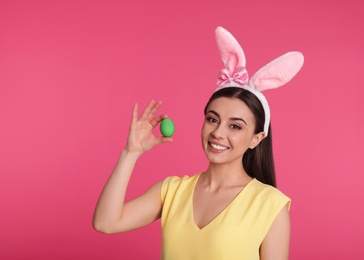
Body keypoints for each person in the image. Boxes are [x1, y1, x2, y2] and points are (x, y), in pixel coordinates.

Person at [93, 27, 304, 260]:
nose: (218, 133)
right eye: (213, 119)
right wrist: (130, 153)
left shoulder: (271, 205)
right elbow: (106, 223)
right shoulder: (171, 191)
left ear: (256, 138)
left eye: (235, 126)